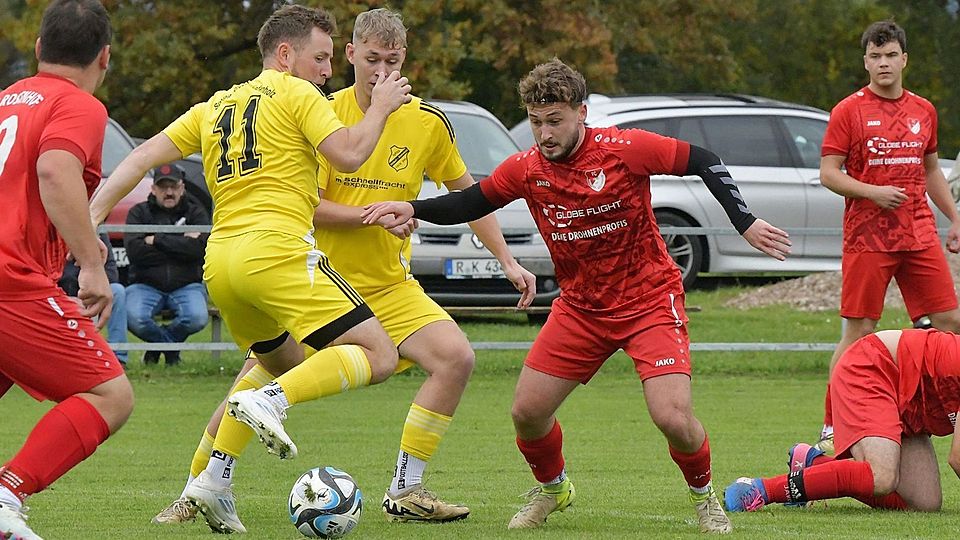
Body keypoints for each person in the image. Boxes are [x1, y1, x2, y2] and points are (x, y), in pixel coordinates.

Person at [361, 58, 792, 533]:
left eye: (555, 120)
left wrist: (745, 222)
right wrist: (412, 206)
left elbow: (704, 160)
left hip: (649, 301)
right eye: (536, 122)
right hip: (582, 309)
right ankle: (554, 490)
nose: (544, 133)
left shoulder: (625, 149)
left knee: (671, 416)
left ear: (581, 113)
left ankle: (703, 496)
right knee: (527, 413)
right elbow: (472, 200)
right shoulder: (527, 168)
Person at [149, 7, 536, 527]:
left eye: (392, 61)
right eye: (371, 58)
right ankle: (194, 493)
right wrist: (371, 216)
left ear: (405, 59)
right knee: (253, 381)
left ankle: (407, 488)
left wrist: (507, 260)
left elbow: (466, 194)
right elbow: (304, 203)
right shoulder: (313, 106)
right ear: (349, 54)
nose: (380, 71)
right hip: (318, 274)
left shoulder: (426, 122)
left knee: (455, 358)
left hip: (390, 284)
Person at [88, 4, 411, 534]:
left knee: (281, 359)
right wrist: (379, 106)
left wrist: (92, 221)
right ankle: (272, 403)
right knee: (378, 354)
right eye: (321, 57)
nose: (328, 71)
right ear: (286, 55)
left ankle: (211, 482)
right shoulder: (297, 91)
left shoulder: (215, 106)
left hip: (222, 265)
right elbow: (350, 154)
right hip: (277, 253)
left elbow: (141, 156)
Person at [0, 1, 134, 539]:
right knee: (110, 395)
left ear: (37, 49)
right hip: (12, 280)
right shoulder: (78, 105)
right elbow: (55, 170)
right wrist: (93, 264)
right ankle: (7, 496)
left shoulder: (6, 101)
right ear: (105, 56)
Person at [815, 20, 960, 455]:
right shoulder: (849, 111)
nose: (883, 63)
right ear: (866, 62)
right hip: (867, 238)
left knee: (951, 323)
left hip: (918, 236)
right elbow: (828, 174)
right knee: (859, 331)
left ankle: (946, 403)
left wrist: (954, 217)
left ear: (904, 60)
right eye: (875, 56)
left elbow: (931, 170)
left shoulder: (924, 110)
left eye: (890, 55)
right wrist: (872, 191)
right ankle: (830, 423)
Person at [725, 328, 959, 513]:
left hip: (909, 403)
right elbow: (957, 458)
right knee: (881, 477)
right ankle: (760, 489)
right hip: (871, 367)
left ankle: (814, 465)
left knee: (925, 503)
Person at [124, 162, 210, 366]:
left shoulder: (196, 212)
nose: (169, 192)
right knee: (134, 318)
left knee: (197, 317)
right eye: (163, 187)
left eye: (173, 186)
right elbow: (136, 254)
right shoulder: (138, 213)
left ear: (182, 187)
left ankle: (157, 349)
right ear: (153, 189)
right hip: (144, 284)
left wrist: (156, 240)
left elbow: (200, 250)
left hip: (187, 284)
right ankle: (170, 350)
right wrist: (182, 243)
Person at [59, 232, 128, 365]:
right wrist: (68, 297)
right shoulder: (51, 235)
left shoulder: (98, 233)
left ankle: (119, 357)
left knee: (117, 291)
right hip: (59, 293)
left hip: (89, 292)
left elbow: (111, 272)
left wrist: (86, 290)